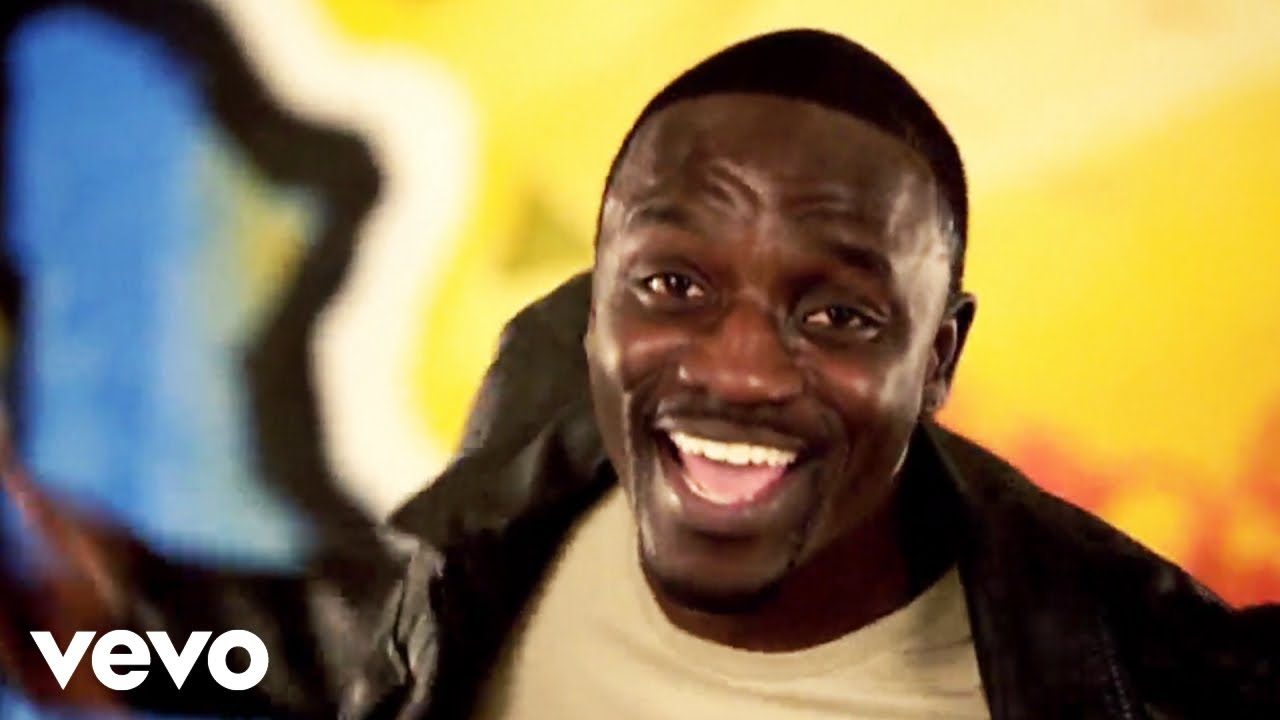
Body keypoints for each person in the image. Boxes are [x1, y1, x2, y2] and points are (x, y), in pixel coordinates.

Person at [2, 28, 1278, 720]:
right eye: (672, 287)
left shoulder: (1159, 684)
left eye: (836, 312)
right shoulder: (520, 512)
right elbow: (316, 654)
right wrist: (113, 639)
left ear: (936, 355)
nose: (738, 368)